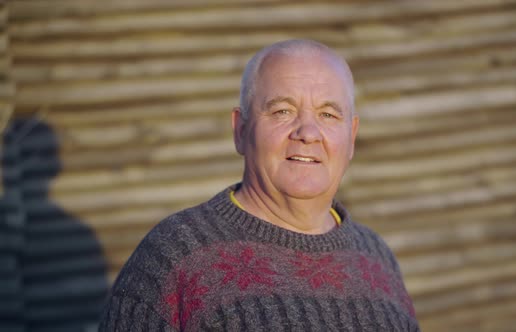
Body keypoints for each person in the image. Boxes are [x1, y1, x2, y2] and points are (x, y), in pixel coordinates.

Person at [99, 39, 420, 331]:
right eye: (282, 111)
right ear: (241, 130)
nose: (308, 133)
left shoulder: (376, 256)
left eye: (327, 114)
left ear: (351, 137)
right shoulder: (175, 255)